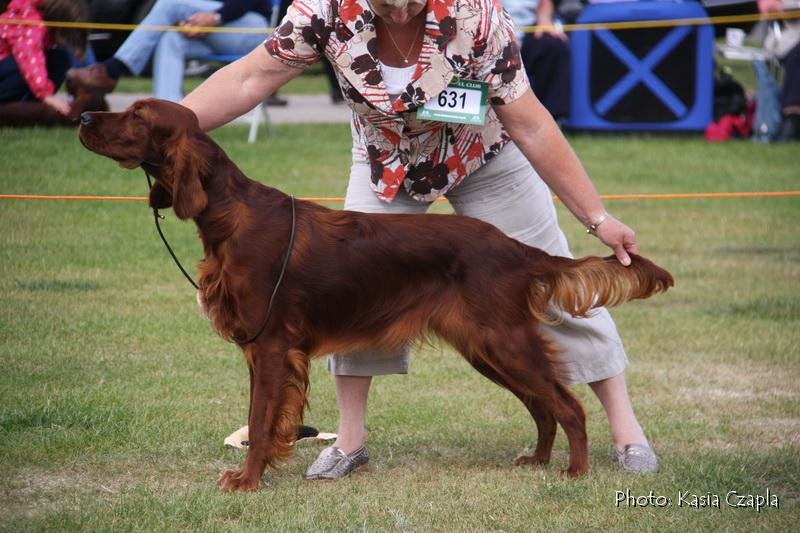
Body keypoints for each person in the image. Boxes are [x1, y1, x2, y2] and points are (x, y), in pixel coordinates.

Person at [181, 0, 659, 479]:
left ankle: (626, 429)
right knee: (345, 286)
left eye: (413, 2)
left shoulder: (479, 17)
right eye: (388, 4)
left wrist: (597, 218)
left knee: (546, 279)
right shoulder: (321, 12)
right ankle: (350, 443)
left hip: (484, 152)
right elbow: (248, 79)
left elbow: (531, 122)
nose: (402, 12)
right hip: (386, 159)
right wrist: (168, 125)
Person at [66, 0, 271, 103]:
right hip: (212, 32)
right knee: (169, 37)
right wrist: (190, 21)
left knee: (169, 4)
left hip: (251, 29)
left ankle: (112, 70)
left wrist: (214, 18)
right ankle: (171, 114)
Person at [0, 0, 93, 122]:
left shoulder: (42, 22)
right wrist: (46, 95)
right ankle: (27, 107)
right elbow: (29, 57)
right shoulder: (32, 23)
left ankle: (31, 107)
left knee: (60, 58)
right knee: (27, 66)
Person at [503, 0, 571, 124]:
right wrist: (503, 34)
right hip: (493, 29)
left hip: (529, 31)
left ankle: (552, 119)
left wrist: (544, 19)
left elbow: (544, 3)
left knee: (553, 45)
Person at [759, 0, 800, 140]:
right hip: (787, 36)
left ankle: (793, 117)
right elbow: (766, 6)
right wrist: (782, 9)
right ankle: (792, 116)